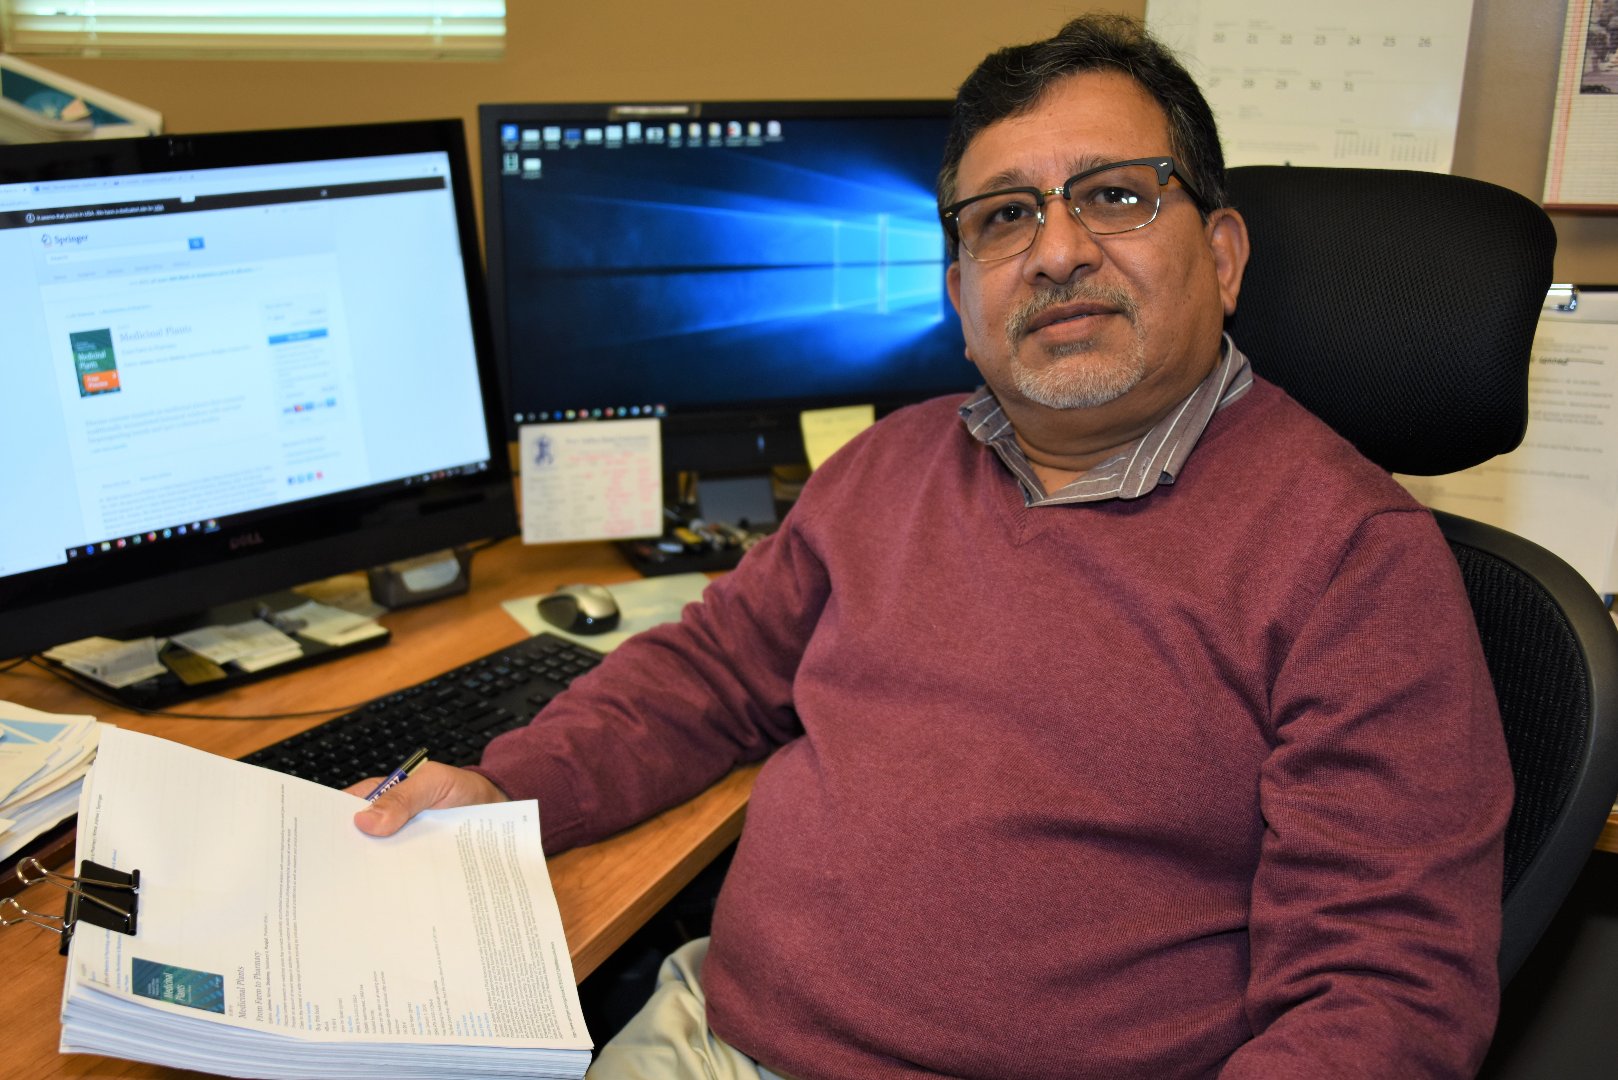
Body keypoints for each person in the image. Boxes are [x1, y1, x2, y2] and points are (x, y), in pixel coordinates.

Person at [353, 14, 1513, 1079]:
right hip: (718, 1039)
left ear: (1219, 254)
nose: (1056, 252)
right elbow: (704, 679)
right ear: (959, 293)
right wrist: (506, 784)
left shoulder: (1352, 562)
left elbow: (1380, 997)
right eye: (1005, 216)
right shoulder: (886, 468)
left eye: (1113, 196)